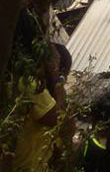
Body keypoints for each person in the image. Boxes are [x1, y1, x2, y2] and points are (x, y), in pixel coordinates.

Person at [11, 43, 70, 172]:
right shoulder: (30, 84)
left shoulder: (41, 90)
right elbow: (60, 122)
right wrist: (59, 84)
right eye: (54, 60)